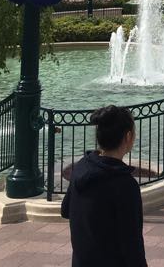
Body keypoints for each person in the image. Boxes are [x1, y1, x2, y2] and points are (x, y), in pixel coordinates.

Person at [61, 105, 147, 267]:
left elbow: (65, 210)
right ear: (128, 136)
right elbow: (132, 245)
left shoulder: (81, 166)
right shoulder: (125, 185)